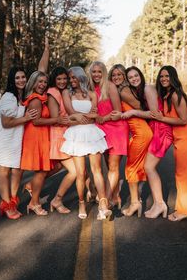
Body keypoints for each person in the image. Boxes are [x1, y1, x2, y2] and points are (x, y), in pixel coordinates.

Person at [0, 39, 49, 219]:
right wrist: (27, 117)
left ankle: (13, 201)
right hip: (5, 135)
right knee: (4, 171)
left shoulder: (24, 94)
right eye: (17, 78)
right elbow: (6, 123)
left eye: (23, 77)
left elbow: (41, 70)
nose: (21, 80)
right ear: (12, 80)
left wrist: (46, 49)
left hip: (18, 136)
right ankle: (6, 205)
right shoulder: (9, 97)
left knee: (17, 171)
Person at [115, 66, 173, 218]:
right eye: (131, 77)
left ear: (140, 75)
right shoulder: (140, 91)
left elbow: (154, 113)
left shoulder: (147, 88)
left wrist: (133, 112)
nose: (134, 78)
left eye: (136, 75)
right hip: (154, 130)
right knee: (147, 168)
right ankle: (157, 203)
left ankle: (158, 204)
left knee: (148, 167)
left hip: (161, 130)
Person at [61, 66, 111, 220]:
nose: (71, 81)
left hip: (91, 132)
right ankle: (81, 202)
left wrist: (81, 116)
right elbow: (70, 112)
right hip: (76, 134)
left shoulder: (91, 94)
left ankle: (103, 204)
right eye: (69, 78)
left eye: (73, 77)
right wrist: (83, 116)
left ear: (80, 77)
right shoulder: (66, 93)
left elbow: (95, 114)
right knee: (81, 173)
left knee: (97, 170)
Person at [152, 65, 187, 221]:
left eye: (167, 76)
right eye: (161, 76)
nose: (164, 79)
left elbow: (183, 120)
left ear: (173, 78)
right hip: (180, 139)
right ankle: (182, 207)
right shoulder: (168, 95)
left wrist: (161, 118)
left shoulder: (175, 95)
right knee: (180, 174)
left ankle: (185, 210)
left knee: (185, 175)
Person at [109, 64, 153, 217]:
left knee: (131, 168)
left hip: (141, 133)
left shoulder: (123, 90)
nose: (116, 78)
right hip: (139, 133)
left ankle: (135, 204)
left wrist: (123, 114)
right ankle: (137, 200)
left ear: (124, 77)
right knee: (136, 166)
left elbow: (140, 107)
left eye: (120, 75)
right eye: (113, 75)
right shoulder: (120, 90)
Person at [88, 61, 129, 209]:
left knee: (113, 166)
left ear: (104, 73)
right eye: (94, 72)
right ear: (90, 73)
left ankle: (105, 199)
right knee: (107, 164)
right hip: (101, 130)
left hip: (116, 128)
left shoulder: (110, 86)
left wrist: (103, 118)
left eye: (99, 72)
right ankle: (115, 196)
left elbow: (118, 111)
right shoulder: (90, 89)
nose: (97, 74)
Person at [20, 71, 60, 216]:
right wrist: (56, 120)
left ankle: (32, 189)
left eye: (44, 82)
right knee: (42, 171)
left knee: (53, 167)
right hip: (35, 137)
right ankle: (34, 203)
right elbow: (36, 121)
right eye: (39, 81)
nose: (42, 85)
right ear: (33, 82)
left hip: (41, 136)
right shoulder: (35, 99)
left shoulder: (41, 98)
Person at [47, 67, 77, 214]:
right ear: (54, 79)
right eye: (59, 79)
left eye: (65, 78)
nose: (62, 81)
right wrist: (78, 121)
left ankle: (32, 185)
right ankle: (57, 200)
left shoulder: (63, 92)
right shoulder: (52, 93)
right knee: (75, 171)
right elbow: (56, 119)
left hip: (67, 134)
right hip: (58, 136)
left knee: (59, 167)